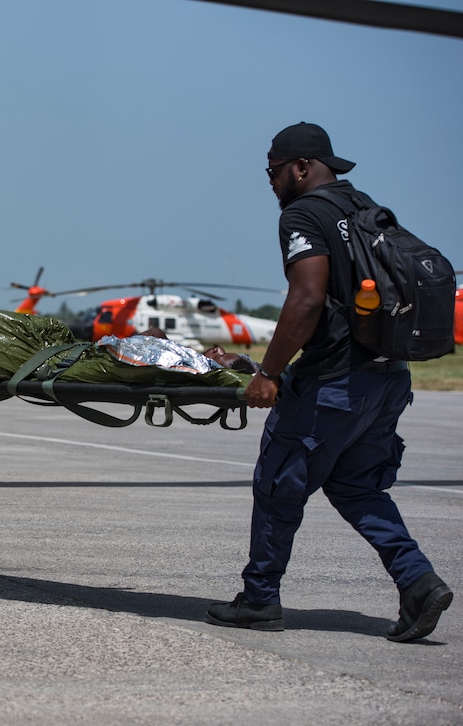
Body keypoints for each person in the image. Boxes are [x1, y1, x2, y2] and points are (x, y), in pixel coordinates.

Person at [206, 122, 453, 641]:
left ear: (301, 167)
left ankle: (259, 599)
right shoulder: (364, 208)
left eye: (273, 172)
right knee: (356, 486)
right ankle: (418, 582)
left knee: (278, 485)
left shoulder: (303, 214)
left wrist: (269, 374)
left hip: (333, 384)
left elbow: (307, 297)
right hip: (386, 379)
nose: (270, 183)